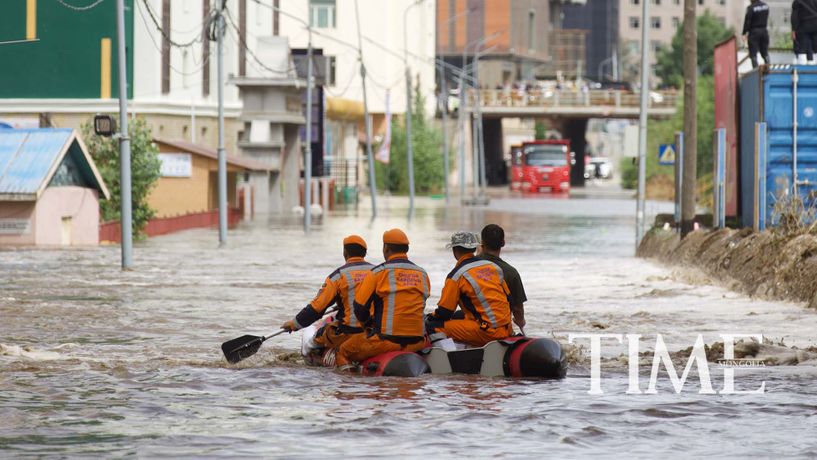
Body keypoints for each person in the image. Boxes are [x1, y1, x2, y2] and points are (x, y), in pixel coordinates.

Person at [335, 229, 430, 369]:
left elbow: (359, 307)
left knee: (342, 352)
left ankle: (351, 386)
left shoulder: (377, 273)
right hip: (417, 342)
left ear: (386, 248)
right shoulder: (422, 273)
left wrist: (368, 325)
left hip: (386, 341)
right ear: (407, 249)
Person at [281, 235, 373, 350]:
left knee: (314, 341)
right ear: (364, 254)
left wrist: (294, 324)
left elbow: (317, 308)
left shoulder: (337, 276)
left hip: (349, 332)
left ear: (345, 253)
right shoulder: (379, 272)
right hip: (375, 332)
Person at [426, 231, 513, 349]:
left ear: (454, 250)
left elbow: (445, 312)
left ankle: (451, 358)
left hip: (486, 328)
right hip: (507, 327)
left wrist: (430, 317)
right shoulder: (492, 266)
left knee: (433, 325)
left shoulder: (457, 275)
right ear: (474, 248)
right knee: (458, 315)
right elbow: (509, 298)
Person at [479, 224, 528, 332]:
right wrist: (521, 322)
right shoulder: (511, 273)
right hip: (498, 330)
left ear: (482, 243)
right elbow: (517, 309)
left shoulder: (468, 267)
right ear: (503, 243)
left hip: (475, 326)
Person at [743, 0, 770, 68]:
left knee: (753, 53)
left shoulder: (751, 8)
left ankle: (756, 71)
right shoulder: (765, 6)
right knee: (765, 52)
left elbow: (747, 21)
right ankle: (768, 68)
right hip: (764, 31)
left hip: (754, 32)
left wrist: (744, 32)